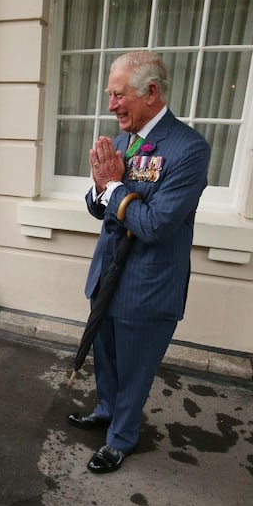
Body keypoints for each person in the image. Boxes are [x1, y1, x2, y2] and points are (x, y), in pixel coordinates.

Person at [67, 51, 209, 473]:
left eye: (118, 94)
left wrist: (112, 188)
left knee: (135, 368)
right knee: (106, 356)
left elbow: (155, 224)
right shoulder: (126, 139)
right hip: (108, 276)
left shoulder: (188, 148)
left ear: (150, 92)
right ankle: (108, 411)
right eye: (110, 94)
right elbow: (102, 208)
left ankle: (122, 438)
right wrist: (100, 189)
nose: (111, 105)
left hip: (148, 285)